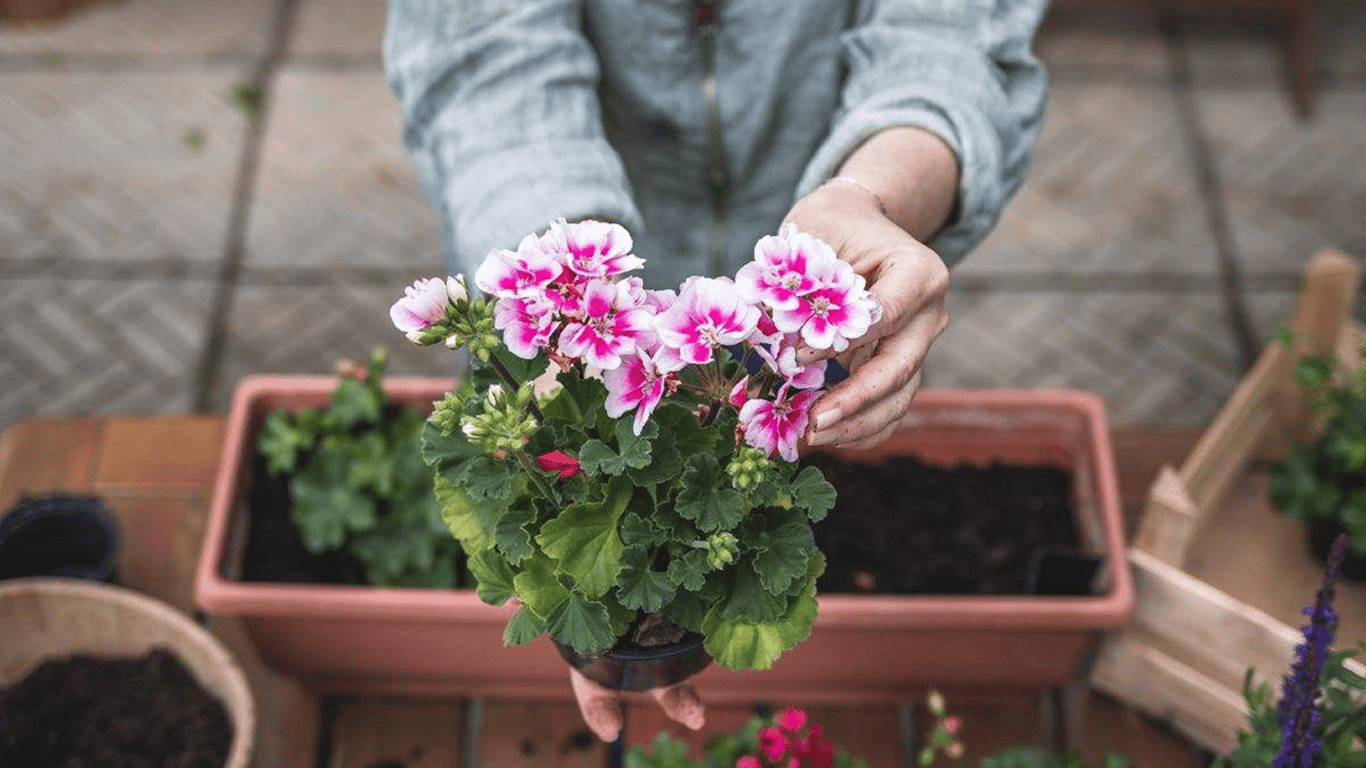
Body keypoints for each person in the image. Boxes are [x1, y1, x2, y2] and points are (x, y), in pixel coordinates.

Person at [385, 0, 1049, 742]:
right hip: (577, 293)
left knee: (809, 464)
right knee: (588, 481)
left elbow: (948, 35)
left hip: (806, 323)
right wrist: (566, 295)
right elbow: (485, 54)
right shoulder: (569, 326)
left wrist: (871, 197)